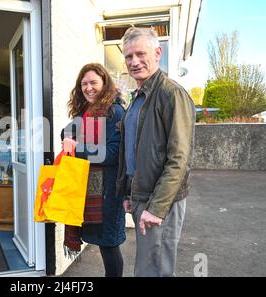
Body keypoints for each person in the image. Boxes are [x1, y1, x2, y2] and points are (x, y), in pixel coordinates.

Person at [116, 27, 196, 277]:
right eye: (129, 56)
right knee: (147, 266)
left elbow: (179, 159)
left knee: (155, 269)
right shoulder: (138, 96)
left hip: (162, 201)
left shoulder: (171, 94)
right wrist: (128, 192)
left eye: (141, 53)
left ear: (158, 53)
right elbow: (131, 150)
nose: (134, 61)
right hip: (142, 196)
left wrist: (157, 208)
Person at [61, 63, 126, 277]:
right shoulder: (87, 112)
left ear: (105, 83)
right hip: (87, 190)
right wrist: (67, 136)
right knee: (103, 243)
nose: (88, 88)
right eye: (84, 84)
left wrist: (77, 148)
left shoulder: (115, 112)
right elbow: (68, 130)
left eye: (93, 83)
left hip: (107, 192)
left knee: (109, 245)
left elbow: (114, 153)